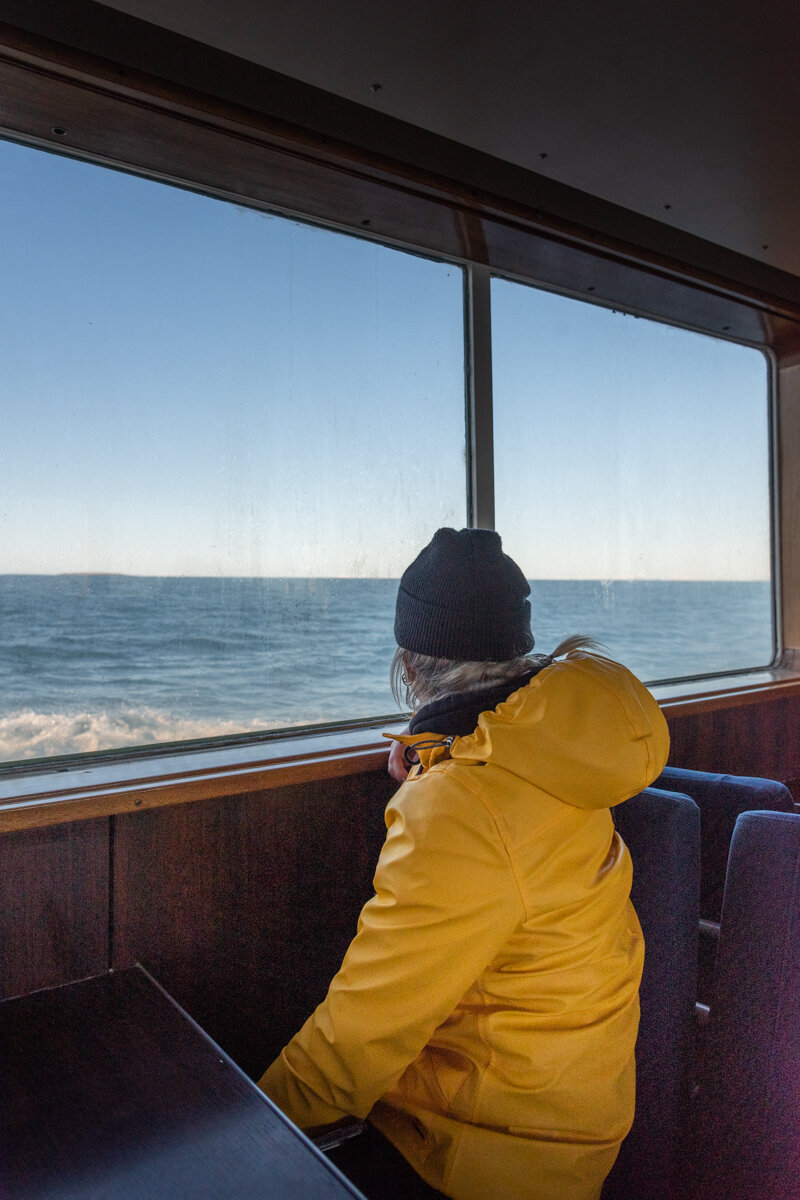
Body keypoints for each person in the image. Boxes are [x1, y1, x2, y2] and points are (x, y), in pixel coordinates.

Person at [259, 527, 670, 1200]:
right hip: (568, 1119)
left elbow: (357, 1042)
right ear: (517, 647)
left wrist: (246, 1134)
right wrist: (436, 760)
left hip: (484, 1156)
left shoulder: (462, 805)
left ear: (410, 667)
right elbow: (506, 838)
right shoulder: (551, 746)